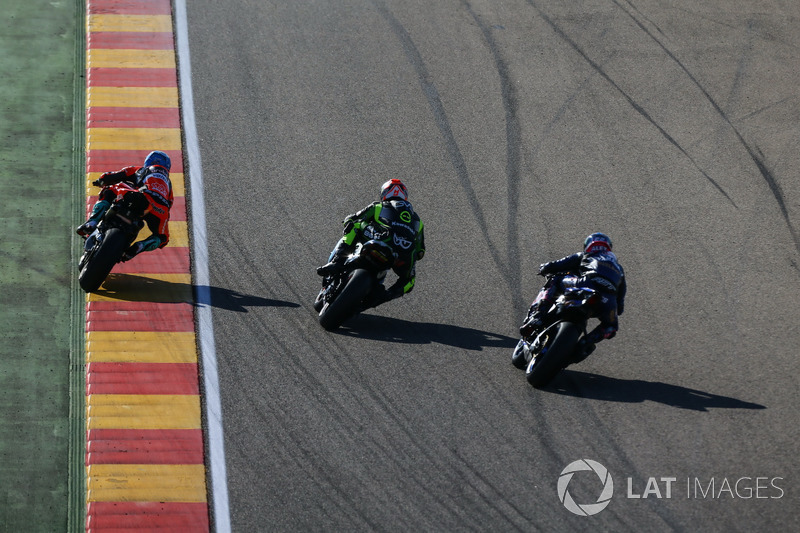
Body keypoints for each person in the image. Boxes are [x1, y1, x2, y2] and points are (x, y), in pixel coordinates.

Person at [316, 178, 425, 308]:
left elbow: (354, 218)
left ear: (385, 193)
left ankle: (337, 261)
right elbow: (420, 252)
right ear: (405, 196)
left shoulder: (379, 206)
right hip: (403, 253)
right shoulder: (418, 221)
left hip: (380, 240)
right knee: (409, 280)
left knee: (356, 225)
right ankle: (386, 295)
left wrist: (348, 222)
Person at [520, 232, 626, 355]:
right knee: (610, 326)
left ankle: (537, 317)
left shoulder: (586, 255)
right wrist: (617, 309)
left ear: (588, 245)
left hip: (586, 283)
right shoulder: (619, 268)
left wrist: (544, 268)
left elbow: (558, 264)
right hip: (609, 299)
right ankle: (585, 343)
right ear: (608, 247)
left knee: (556, 279)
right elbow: (621, 299)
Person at [76, 150, 173, 262]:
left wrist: (100, 181)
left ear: (148, 161)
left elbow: (112, 176)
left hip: (139, 196)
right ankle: (141, 246)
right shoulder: (169, 185)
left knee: (109, 190)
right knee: (163, 238)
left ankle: (92, 222)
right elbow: (169, 205)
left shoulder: (141, 169)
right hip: (160, 209)